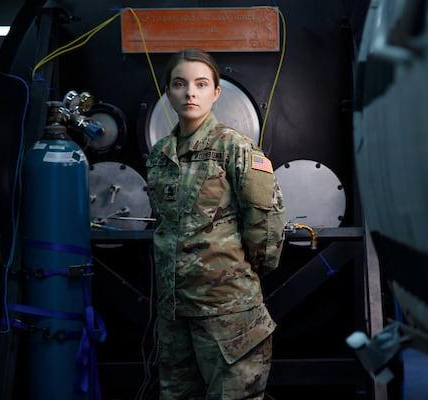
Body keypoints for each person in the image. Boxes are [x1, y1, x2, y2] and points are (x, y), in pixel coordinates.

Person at [146, 48, 287, 400]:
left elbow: (266, 225)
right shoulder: (160, 154)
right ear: (168, 91)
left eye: (201, 83)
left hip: (227, 314)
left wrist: (240, 274)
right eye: (179, 84)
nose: (190, 92)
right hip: (175, 314)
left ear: (216, 92)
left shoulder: (235, 149)